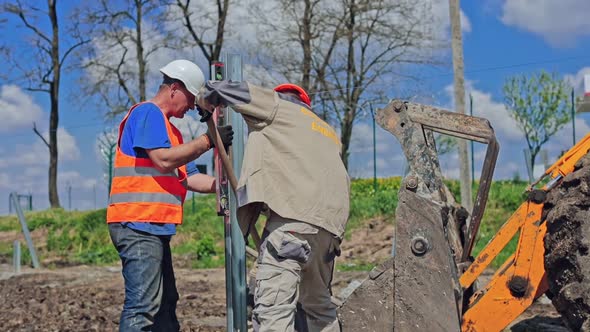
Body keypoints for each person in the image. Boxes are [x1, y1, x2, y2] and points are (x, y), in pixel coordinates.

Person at [197, 81, 350, 332]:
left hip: (292, 225)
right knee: (318, 307)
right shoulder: (327, 131)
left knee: (274, 310)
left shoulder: (278, 107)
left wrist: (205, 100)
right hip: (329, 233)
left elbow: (230, 89)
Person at [106, 59, 233, 332]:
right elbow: (163, 161)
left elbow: (190, 178)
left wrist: (225, 185)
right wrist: (207, 141)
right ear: (174, 88)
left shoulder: (170, 131)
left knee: (165, 303)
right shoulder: (147, 113)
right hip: (136, 223)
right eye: (189, 98)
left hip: (152, 227)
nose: (189, 107)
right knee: (143, 306)